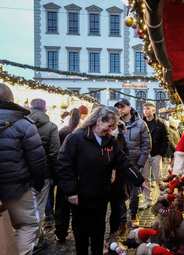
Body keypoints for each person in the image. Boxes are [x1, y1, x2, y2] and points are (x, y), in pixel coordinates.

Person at [57, 106, 145, 255]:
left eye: (113, 127)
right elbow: (64, 165)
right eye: (109, 126)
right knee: (81, 234)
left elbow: (123, 161)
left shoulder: (110, 140)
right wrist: (71, 191)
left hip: (101, 195)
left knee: (98, 232)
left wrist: (139, 180)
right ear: (98, 121)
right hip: (80, 197)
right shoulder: (76, 137)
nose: (111, 130)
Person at [0, 83, 46, 255]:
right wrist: (38, 185)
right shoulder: (24, 123)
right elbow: (37, 159)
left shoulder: (24, 123)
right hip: (18, 187)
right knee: (27, 225)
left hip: (16, 185)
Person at [29, 98, 60, 250]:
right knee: (39, 207)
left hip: (24, 173)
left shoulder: (23, 124)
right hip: (44, 173)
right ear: (45, 110)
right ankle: (34, 240)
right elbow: (54, 152)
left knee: (28, 207)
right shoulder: (51, 127)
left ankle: (31, 236)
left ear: (30, 109)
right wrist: (56, 173)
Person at [115, 98, 151, 229]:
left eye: (122, 107)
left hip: (135, 164)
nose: (120, 109)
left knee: (134, 194)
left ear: (129, 107)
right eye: (118, 107)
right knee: (120, 193)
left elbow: (146, 145)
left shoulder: (140, 124)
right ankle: (122, 220)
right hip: (119, 164)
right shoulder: (115, 124)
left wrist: (140, 164)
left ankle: (133, 215)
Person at [54, 108, 81, 243]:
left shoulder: (63, 131)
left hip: (64, 174)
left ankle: (61, 233)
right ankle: (80, 234)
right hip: (79, 174)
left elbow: (58, 153)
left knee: (61, 205)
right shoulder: (80, 133)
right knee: (78, 208)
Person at [106, 107, 130, 247]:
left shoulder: (119, 134)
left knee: (117, 208)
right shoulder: (99, 134)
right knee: (101, 211)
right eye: (112, 122)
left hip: (118, 179)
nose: (114, 125)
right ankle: (100, 239)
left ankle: (114, 236)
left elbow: (125, 152)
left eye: (116, 121)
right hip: (103, 179)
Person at [140, 102, 170, 209]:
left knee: (158, 177)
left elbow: (166, 138)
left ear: (153, 110)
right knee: (145, 178)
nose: (146, 111)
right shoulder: (141, 123)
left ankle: (160, 198)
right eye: (144, 109)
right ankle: (147, 200)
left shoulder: (160, 123)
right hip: (144, 154)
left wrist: (161, 153)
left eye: (148, 109)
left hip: (156, 154)